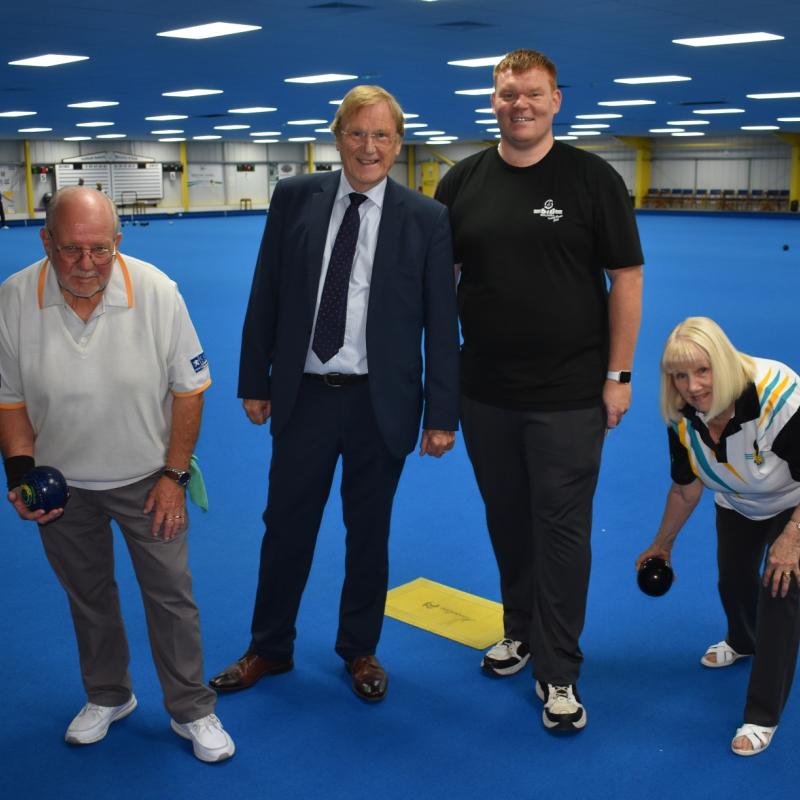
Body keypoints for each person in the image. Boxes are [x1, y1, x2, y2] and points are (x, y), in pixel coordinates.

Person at [209, 85, 460, 702]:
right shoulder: (295, 198)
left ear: (398, 145)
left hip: (383, 402)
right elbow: (265, 291)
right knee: (285, 526)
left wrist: (442, 413)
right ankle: (269, 647)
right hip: (306, 396)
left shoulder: (426, 218)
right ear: (336, 136)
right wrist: (254, 379)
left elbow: (441, 324)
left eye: (381, 136)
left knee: (367, 532)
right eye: (355, 133)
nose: (367, 147)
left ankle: (360, 650)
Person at [434, 48, 644, 733]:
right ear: (492, 100)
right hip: (486, 391)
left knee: (560, 532)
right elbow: (442, 288)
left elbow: (627, 279)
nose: (517, 103)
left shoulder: (591, 179)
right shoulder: (461, 183)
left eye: (531, 93)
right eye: (506, 93)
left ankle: (559, 671)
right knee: (508, 521)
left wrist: (618, 375)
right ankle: (519, 630)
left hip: (568, 396)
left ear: (557, 100)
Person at [0, 187, 235, 763]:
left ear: (118, 242)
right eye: (71, 251)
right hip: (64, 487)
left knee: (171, 597)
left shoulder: (157, 291)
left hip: (148, 479)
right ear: (46, 241)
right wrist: (22, 473)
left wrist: (174, 476)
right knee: (89, 597)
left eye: (100, 251)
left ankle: (192, 709)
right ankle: (109, 695)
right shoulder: (11, 298)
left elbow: (190, 389)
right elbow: (10, 401)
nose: (86, 266)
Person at [637, 317, 800, 757]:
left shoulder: (777, 395)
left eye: (703, 371)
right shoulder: (681, 417)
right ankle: (742, 640)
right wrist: (662, 544)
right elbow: (686, 487)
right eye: (681, 375)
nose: (692, 385)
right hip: (738, 500)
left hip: (793, 500)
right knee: (732, 579)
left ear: (723, 364)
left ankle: (763, 714)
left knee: (780, 591)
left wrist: (792, 539)